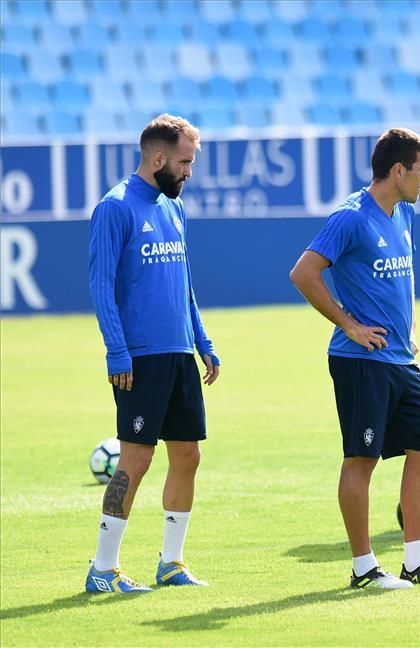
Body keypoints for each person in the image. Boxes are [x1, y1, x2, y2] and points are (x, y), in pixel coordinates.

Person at [289, 128, 420, 589]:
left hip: (401, 359)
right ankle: (365, 568)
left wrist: (407, 329)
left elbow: (399, 279)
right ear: (398, 170)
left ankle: (415, 562)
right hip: (360, 360)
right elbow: (304, 273)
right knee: (362, 460)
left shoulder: (402, 213)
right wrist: (348, 324)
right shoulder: (350, 216)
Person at [86, 114, 219, 594]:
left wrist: (201, 342)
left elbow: (184, 284)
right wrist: (116, 351)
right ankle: (102, 570)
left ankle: (172, 563)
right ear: (158, 158)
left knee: (188, 456)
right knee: (135, 461)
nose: (189, 172)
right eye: (184, 162)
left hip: (180, 353)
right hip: (139, 358)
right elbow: (101, 284)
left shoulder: (173, 207)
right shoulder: (115, 207)